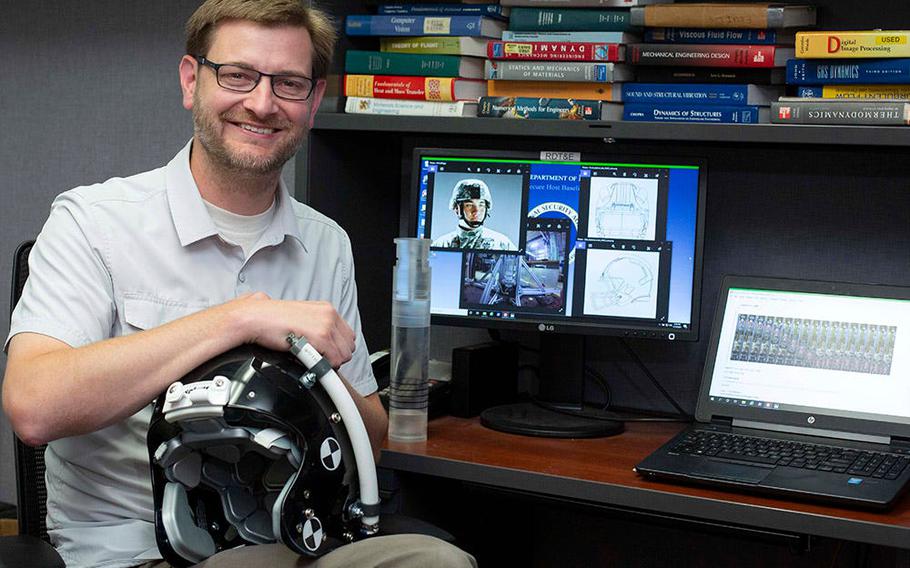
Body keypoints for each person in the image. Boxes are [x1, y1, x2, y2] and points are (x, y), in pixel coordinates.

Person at [1, 1, 476, 567]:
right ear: (190, 81)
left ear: (313, 101)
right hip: (135, 553)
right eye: (237, 75)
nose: (261, 102)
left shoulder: (326, 244)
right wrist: (240, 321)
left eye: (288, 83)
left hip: (294, 537)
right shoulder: (94, 221)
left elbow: (366, 437)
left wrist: (309, 378)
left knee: (437, 560)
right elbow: (33, 407)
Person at [431, 178, 518, 250]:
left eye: (481, 204)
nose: (476, 211)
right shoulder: (442, 245)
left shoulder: (502, 244)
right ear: (457, 209)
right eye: (469, 205)